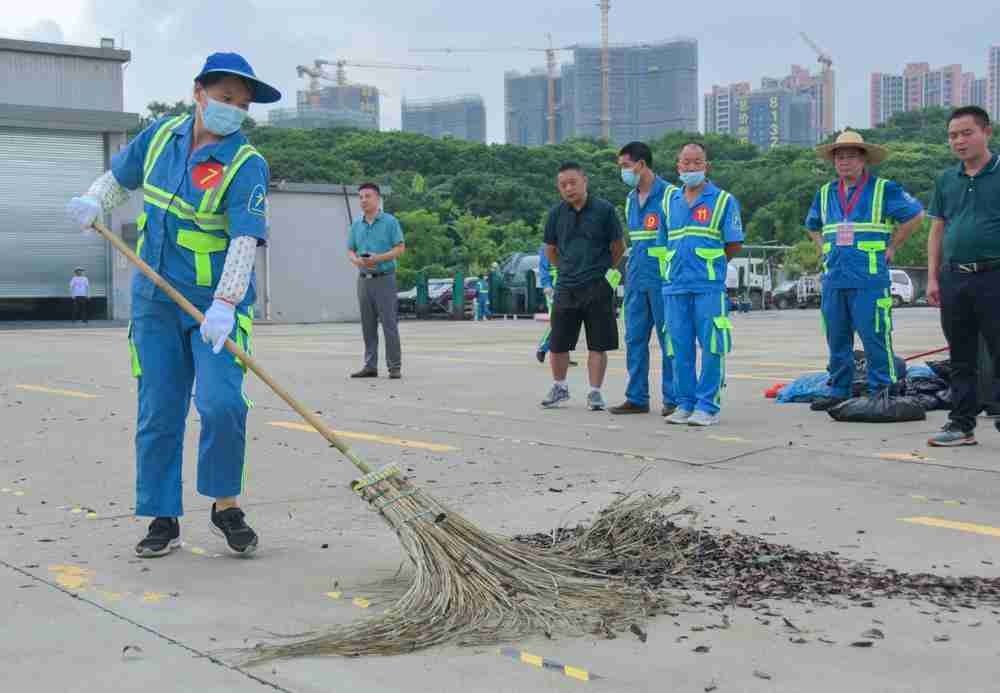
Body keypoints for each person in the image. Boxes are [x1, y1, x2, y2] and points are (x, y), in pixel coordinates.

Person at [66, 52, 281, 557]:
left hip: (214, 307)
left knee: (222, 404)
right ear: (199, 92)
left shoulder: (246, 163)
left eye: (242, 105)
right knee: (159, 409)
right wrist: (95, 199)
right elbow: (121, 178)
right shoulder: (161, 136)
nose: (234, 110)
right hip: (154, 303)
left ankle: (225, 505)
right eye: (226, 98)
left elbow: (245, 240)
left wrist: (226, 304)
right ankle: (162, 515)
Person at [804, 131, 924, 412]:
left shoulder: (884, 189)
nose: (844, 162)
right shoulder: (825, 193)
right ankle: (839, 389)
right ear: (834, 161)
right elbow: (811, 225)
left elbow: (916, 215)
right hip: (834, 278)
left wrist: (893, 245)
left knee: (875, 335)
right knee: (836, 337)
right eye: (839, 157)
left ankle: (882, 389)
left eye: (851, 156)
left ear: (864, 160)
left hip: (869, 278)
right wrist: (823, 247)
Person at [926, 106, 1000, 447]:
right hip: (955, 278)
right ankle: (961, 424)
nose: (959, 141)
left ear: (986, 132)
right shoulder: (946, 180)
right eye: (953, 135)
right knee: (961, 355)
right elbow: (937, 230)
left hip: (994, 274)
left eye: (966, 133)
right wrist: (933, 278)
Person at [658, 143, 743, 427]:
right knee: (678, 347)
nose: (691, 167)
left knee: (712, 346)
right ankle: (685, 403)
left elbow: (733, 243)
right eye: (686, 162)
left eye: (697, 162)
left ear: (706, 166)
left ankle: (708, 406)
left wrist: (712, 265)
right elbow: (663, 243)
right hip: (675, 287)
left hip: (708, 287)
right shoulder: (670, 201)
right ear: (677, 166)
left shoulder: (722, 200)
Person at [540, 162, 625, 410]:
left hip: (597, 286)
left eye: (572, 183)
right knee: (558, 343)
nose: (568, 188)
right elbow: (550, 250)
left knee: (598, 343)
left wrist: (604, 270)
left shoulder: (604, 210)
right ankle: (560, 387)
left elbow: (618, 246)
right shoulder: (556, 214)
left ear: (584, 181)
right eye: (563, 185)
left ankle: (595, 392)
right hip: (566, 286)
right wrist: (567, 268)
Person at [609, 141, 676, 417]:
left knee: (669, 339)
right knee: (635, 338)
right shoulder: (629, 199)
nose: (623, 171)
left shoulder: (671, 195)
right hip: (636, 278)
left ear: (641, 164)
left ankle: (673, 398)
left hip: (662, 278)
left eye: (625, 166)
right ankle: (636, 397)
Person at [348, 183, 405, 379]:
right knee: (367, 324)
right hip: (364, 280)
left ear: (378, 198)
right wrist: (356, 260)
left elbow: (399, 248)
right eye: (361, 197)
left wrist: (378, 258)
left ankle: (394, 366)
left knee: (389, 324)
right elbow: (350, 249)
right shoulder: (356, 224)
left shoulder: (390, 222)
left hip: (384, 278)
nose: (363, 200)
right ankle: (370, 365)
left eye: (368, 196)